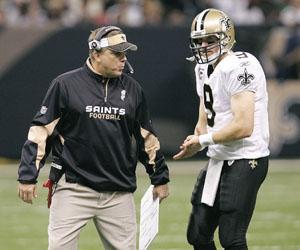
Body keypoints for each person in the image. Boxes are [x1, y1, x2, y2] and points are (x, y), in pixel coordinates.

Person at [17, 25, 169, 250]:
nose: (123, 59)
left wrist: (160, 178)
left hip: (118, 191)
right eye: (116, 54)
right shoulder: (65, 85)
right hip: (73, 188)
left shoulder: (133, 89)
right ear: (95, 53)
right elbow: (41, 131)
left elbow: (147, 139)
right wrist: (28, 176)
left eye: (124, 53)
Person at [173, 8, 269, 250]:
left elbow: (244, 126)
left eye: (210, 40)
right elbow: (207, 103)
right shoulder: (203, 67)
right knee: (197, 234)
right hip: (220, 156)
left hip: (246, 157)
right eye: (199, 41)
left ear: (226, 38)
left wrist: (203, 140)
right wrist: (198, 133)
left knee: (232, 239)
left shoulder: (240, 66)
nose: (203, 45)